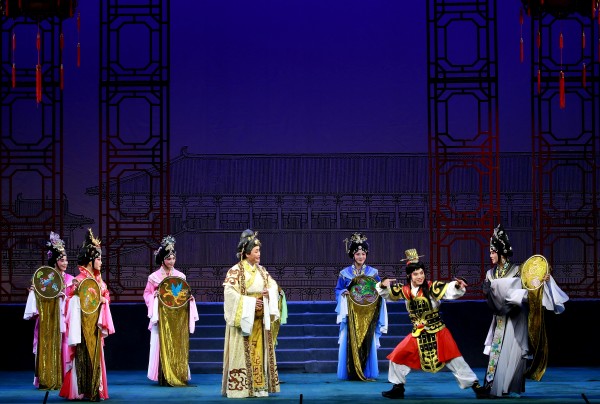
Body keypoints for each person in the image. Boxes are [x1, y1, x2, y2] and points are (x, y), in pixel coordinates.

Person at [376, 248, 487, 399]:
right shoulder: (405, 290)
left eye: (421, 273)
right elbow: (386, 294)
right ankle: (398, 387)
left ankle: (477, 387)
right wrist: (383, 285)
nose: (420, 276)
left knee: (455, 359)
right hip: (418, 333)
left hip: (438, 331)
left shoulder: (432, 287)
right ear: (409, 275)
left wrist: (457, 286)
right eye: (416, 274)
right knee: (398, 356)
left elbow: (448, 290)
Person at [482, 224, 569, 398]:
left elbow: (531, 290)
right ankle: (494, 387)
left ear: (501, 252)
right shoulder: (490, 273)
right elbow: (489, 296)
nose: (490, 255)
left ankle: (513, 388)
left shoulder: (519, 270)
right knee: (497, 353)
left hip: (516, 317)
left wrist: (544, 280)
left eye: (492, 252)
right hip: (500, 317)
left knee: (515, 353)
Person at [222, 229, 281, 398]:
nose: (259, 254)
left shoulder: (262, 271)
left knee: (259, 354)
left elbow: (274, 286)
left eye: (259, 251)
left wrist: (269, 292)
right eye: (256, 251)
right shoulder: (235, 271)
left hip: (260, 321)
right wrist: (251, 303)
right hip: (245, 320)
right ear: (247, 253)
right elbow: (229, 293)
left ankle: (259, 387)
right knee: (243, 353)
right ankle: (241, 387)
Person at [59, 229, 115, 401]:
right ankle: (83, 389)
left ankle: (95, 388)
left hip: (95, 325)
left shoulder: (99, 281)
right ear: (91, 260)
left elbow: (106, 296)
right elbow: (69, 302)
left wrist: (104, 300)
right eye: (99, 259)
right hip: (83, 325)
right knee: (83, 354)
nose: (101, 262)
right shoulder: (78, 280)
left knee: (97, 355)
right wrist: (76, 294)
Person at [143, 235, 199, 386]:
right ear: (162, 260)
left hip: (177, 317)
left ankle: (179, 373)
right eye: (168, 259)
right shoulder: (154, 277)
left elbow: (182, 294)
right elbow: (146, 294)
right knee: (161, 344)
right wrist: (154, 296)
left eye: (173, 258)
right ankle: (164, 376)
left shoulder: (180, 276)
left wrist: (189, 298)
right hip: (162, 316)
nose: (172, 261)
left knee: (178, 344)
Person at [24, 232, 76, 389]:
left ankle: (64, 379)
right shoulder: (45, 278)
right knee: (47, 346)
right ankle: (47, 378)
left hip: (64, 319)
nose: (65, 263)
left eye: (66, 259)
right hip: (49, 319)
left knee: (65, 345)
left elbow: (74, 299)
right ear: (54, 260)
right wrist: (35, 292)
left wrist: (65, 297)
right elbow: (39, 296)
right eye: (62, 260)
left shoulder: (70, 280)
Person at [335, 232, 387, 381]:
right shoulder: (344, 273)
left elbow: (378, 289)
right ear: (353, 255)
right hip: (351, 314)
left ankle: (366, 371)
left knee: (367, 341)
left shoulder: (373, 273)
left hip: (367, 315)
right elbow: (338, 290)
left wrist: (383, 286)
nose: (361, 257)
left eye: (363, 254)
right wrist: (343, 292)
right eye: (358, 254)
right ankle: (351, 371)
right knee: (349, 340)